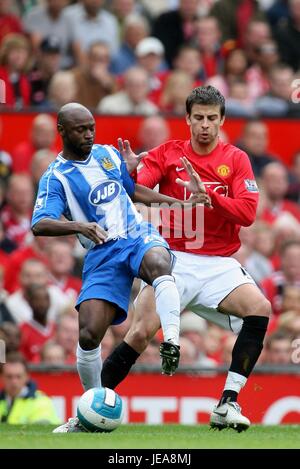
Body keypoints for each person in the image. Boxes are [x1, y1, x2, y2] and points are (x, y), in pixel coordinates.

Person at [101, 85, 271, 432]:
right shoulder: (167, 154)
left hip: (218, 263)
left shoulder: (236, 159)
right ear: (187, 119)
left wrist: (209, 196)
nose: (205, 125)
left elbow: (249, 212)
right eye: (198, 118)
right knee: (139, 333)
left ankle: (228, 402)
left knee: (260, 308)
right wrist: (129, 173)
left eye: (211, 118)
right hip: (173, 258)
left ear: (222, 120)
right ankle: (91, 403)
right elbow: (137, 188)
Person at [31, 102, 208, 432]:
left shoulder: (107, 155)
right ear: (62, 131)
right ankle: (90, 412)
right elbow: (40, 223)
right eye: (80, 129)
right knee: (88, 333)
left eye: (91, 128)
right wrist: (80, 227)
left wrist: (182, 205)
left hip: (135, 235)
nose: (88, 134)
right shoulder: (55, 178)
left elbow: (134, 191)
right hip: (101, 255)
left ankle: (171, 340)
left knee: (159, 263)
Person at [0, 353, 60, 424]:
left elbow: (41, 431)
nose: (14, 382)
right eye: (9, 376)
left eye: (18, 376)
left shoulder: (41, 402)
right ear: (2, 377)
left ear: (27, 376)